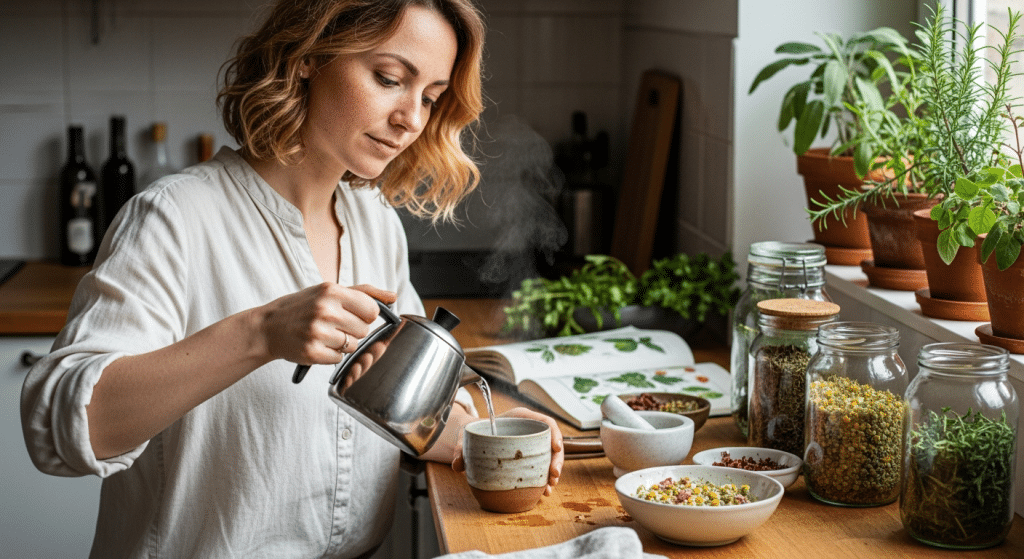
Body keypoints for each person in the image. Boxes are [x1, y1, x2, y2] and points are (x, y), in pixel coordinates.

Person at [20, 1, 564, 557]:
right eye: (389, 79)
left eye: (429, 97)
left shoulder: (374, 224)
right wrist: (260, 334)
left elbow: (405, 415)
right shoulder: (173, 218)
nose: (412, 119)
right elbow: (66, 432)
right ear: (308, 56)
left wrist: (491, 434)